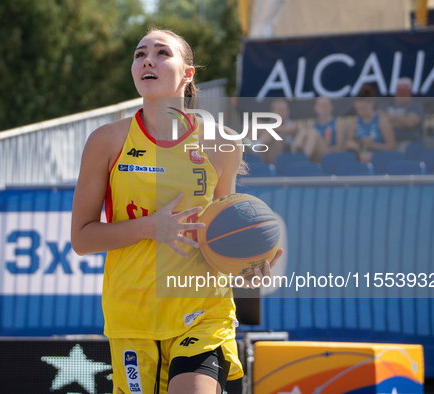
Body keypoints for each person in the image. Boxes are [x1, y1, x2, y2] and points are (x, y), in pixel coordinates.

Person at [71, 28, 282, 394]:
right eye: (139, 55)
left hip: (202, 311)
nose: (147, 60)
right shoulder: (107, 141)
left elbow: (220, 232)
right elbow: (82, 238)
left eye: (161, 53)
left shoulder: (223, 143)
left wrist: (244, 270)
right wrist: (151, 227)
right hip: (133, 314)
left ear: (187, 74)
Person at [345, 86, 396, 163]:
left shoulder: (381, 120)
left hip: (379, 156)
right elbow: (350, 140)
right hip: (361, 155)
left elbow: (392, 146)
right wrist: (360, 143)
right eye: (357, 109)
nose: (360, 112)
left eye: (363, 108)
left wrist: (372, 145)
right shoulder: (355, 121)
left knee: (366, 157)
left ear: (370, 104)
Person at [291, 96, 346, 162]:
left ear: (331, 106)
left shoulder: (337, 123)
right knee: (303, 131)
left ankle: (303, 160)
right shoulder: (313, 126)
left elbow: (340, 148)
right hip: (314, 155)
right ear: (315, 108)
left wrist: (323, 143)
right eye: (321, 105)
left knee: (313, 133)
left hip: (330, 155)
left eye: (326, 104)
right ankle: (294, 157)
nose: (324, 107)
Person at [377, 77, 425, 152]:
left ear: (410, 93)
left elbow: (409, 123)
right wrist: (402, 118)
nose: (402, 96)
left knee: (404, 149)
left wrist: (388, 121)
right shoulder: (385, 105)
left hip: (408, 142)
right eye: (400, 92)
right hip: (384, 142)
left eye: (404, 93)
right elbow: (378, 120)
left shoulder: (416, 106)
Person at [255, 98, 298, 164]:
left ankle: (254, 147)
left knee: (271, 132)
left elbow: (286, 130)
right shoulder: (267, 126)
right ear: (273, 112)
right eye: (280, 110)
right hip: (268, 156)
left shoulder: (291, 124)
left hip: (286, 156)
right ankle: (250, 149)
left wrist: (265, 126)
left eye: (285, 110)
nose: (283, 112)